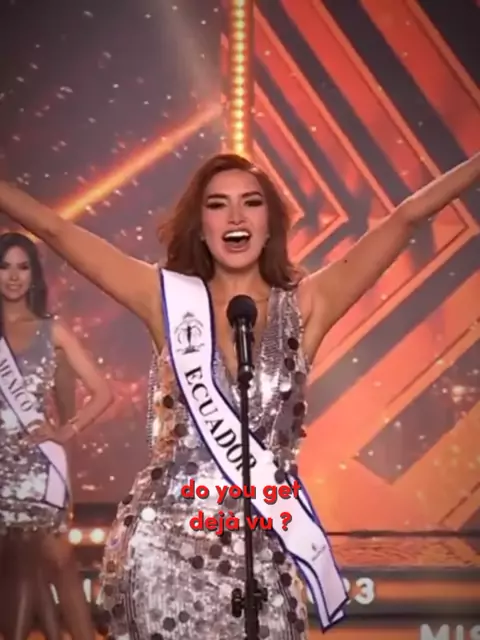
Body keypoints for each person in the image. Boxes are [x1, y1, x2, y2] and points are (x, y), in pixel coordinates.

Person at [0, 151, 478, 639]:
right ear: (201, 227)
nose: (235, 216)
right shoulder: (165, 298)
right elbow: (55, 230)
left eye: (251, 202)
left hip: (266, 550)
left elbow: (406, 218)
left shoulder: (307, 305)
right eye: (217, 204)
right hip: (166, 550)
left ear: (270, 225)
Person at [0, 232, 113, 640]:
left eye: (23, 267)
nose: (14, 276)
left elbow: (103, 392)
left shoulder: (52, 331)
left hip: (37, 469)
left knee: (59, 561)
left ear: (34, 275)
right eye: (4, 266)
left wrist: (66, 431)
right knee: (18, 571)